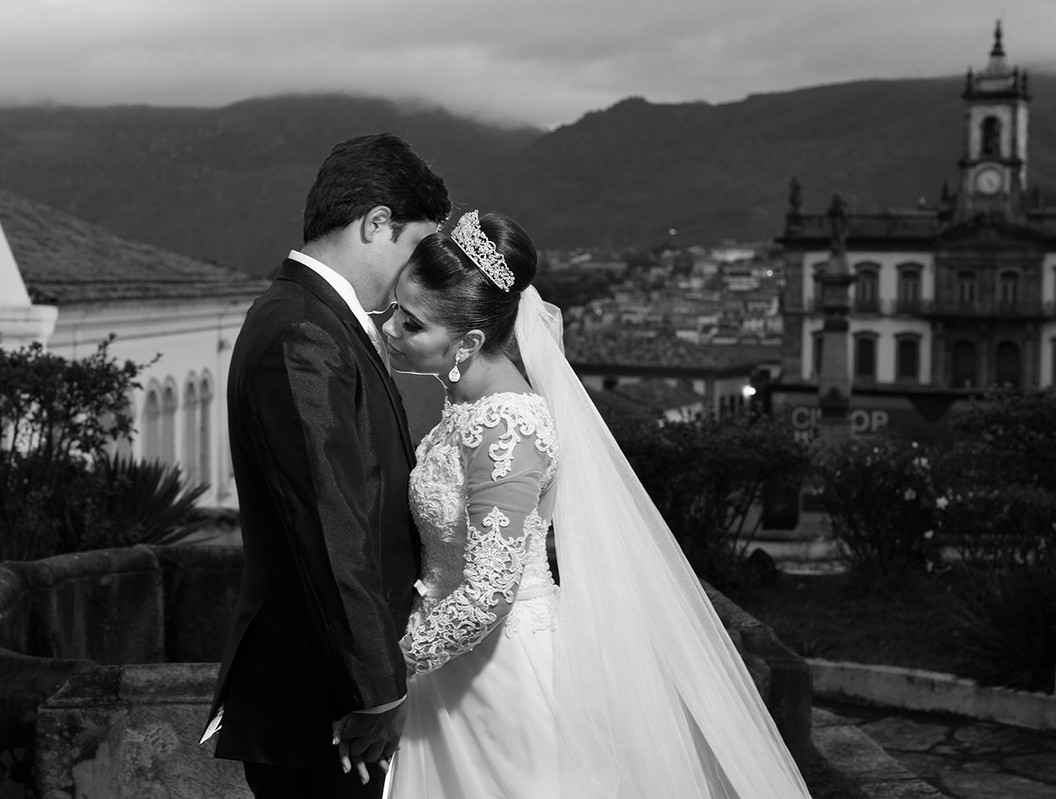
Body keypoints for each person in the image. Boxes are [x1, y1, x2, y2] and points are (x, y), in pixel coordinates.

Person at [377, 209, 813, 798]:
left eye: (412, 323)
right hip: (453, 667)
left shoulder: (505, 424)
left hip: (496, 676)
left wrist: (387, 668)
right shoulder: (468, 408)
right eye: (394, 311)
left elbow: (487, 592)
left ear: (470, 341)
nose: (391, 329)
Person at [201, 132, 450, 798]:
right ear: (376, 223)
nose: (418, 272)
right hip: (325, 700)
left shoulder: (318, 318)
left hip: (333, 688)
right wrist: (376, 688)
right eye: (415, 247)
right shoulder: (302, 331)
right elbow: (328, 518)